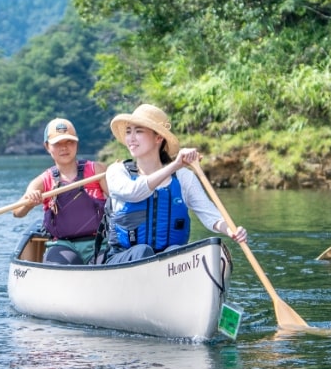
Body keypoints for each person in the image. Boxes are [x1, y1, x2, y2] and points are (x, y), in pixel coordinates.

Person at [101, 103, 247, 265]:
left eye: (139, 131)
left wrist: (231, 230)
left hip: (171, 264)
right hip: (123, 258)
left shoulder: (183, 177)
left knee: (178, 252)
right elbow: (134, 192)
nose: (131, 138)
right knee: (143, 251)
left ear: (158, 138)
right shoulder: (117, 171)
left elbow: (210, 215)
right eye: (129, 132)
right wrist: (175, 165)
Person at [13, 117, 109, 264]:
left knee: (107, 262)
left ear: (76, 143)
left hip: (98, 243)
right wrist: (29, 203)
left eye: (69, 142)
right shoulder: (42, 181)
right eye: (57, 143)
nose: (64, 148)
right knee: (62, 264)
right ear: (47, 146)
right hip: (62, 245)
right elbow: (17, 212)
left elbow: (120, 197)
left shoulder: (97, 170)